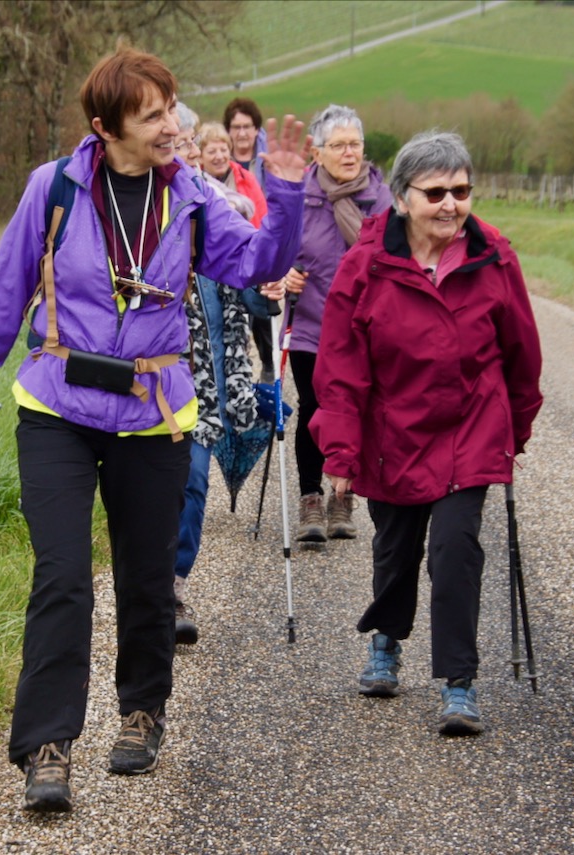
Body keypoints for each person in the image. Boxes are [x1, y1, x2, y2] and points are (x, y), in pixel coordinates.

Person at [0, 46, 308, 813]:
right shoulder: (54, 190)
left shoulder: (195, 196)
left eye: (172, 107)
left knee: (144, 573)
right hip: (57, 407)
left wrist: (289, 191)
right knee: (61, 575)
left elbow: (261, 260)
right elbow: (2, 304)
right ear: (106, 127)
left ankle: (142, 709)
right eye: (153, 113)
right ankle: (47, 747)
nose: (172, 125)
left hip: (154, 413)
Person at [310, 131, 543, 736]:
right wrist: (340, 449)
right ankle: (386, 636)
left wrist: (512, 430)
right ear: (403, 198)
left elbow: (522, 353)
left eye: (461, 191)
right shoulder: (365, 265)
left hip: (472, 426)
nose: (451, 204)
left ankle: (459, 683)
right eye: (436, 192)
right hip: (395, 430)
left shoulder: (495, 257)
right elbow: (339, 366)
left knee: (456, 548)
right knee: (395, 549)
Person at [170, 102, 278, 645]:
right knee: (175, 483)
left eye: (192, 143)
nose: (187, 151)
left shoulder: (222, 218)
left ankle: (172, 584)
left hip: (216, 381)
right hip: (165, 382)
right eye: (182, 143)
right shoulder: (165, 222)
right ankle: (155, 587)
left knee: (192, 484)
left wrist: (273, 288)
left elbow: (256, 299)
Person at [275, 104, 392, 543]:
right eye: (339, 145)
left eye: (355, 144)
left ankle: (343, 496)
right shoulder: (299, 198)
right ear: (318, 151)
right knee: (313, 408)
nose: (349, 153)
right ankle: (310, 499)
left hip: (367, 329)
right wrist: (284, 274)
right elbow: (277, 252)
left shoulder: (382, 201)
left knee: (358, 410)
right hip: (312, 324)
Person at [223, 97, 277, 383]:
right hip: (228, 247)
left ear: (257, 130)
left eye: (247, 126)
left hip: (260, 238)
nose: (242, 133)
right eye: (236, 127)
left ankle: (267, 364)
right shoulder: (219, 158)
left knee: (260, 309)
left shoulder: (266, 162)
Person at [197, 121, 266, 228]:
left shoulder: (247, 179)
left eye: (224, 150)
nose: (219, 156)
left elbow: (262, 217)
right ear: (200, 157)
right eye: (212, 152)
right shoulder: (196, 183)